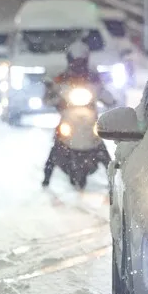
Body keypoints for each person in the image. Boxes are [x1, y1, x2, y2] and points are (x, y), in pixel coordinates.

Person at [41, 40, 114, 186]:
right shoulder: (62, 77)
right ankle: (46, 177)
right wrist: (52, 93)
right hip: (68, 115)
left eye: (81, 62)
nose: (78, 66)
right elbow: (51, 93)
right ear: (70, 61)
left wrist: (109, 99)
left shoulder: (93, 77)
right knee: (57, 143)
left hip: (89, 118)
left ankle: (113, 178)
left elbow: (103, 92)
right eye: (75, 62)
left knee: (100, 143)